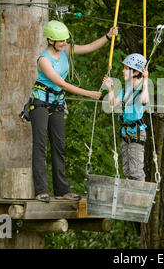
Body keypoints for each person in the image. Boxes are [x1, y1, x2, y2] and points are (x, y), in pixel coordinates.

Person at [29, 20, 118, 202]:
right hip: (40, 103)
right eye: (60, 41)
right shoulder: (44, 60)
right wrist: (89, 94)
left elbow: (90, 47)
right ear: (50, 40)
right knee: (40, 146)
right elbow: (61, 83)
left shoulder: (65, 50)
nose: (64, 43)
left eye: (65, 40)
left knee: (59, 146)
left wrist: (108, 36)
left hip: (56, 103)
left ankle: (62, 190)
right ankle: (41, 191)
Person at [102, 53, 149, 182]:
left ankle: (141, 198)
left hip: (136, 132)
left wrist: (145, 80)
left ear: (135, 72)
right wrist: (110, 88)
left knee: (136, 171)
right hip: (126, 132)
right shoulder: (126, 89)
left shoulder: (140, 88)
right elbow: (113, 104)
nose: (123, 71)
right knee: (127, 170)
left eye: (126, 68)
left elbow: (144, 100)